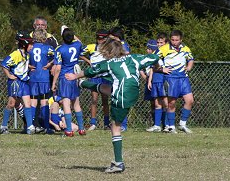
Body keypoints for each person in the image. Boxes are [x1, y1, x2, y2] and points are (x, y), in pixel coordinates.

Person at [65, 38, 159, 173]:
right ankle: (83, 84)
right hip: (133, 92)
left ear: (109, 52)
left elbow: (91, 71)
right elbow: (154, 57)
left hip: (122, 95)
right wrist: (157, 67)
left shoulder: (109, 63)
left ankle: (118, 163)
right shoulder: (134, 58)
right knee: (109, 87)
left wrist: (75, 76)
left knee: (115, 126)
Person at [155, 30, 194, 134]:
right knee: (172, 102)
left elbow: (190, 59)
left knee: (190, 100)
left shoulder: (185, 48)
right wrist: (162, 68)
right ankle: (171, 126)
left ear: (181, 40)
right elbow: (154, 58)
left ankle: (182, 124)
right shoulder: (164, 48)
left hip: (183, 78)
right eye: (172, 40)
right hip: (171, 78)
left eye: (177, 40)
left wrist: (189, 67)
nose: (174, 42)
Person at [0, 31, 35, 135]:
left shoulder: (26, 55)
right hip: (15, 82)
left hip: (24, 82)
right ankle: (3, 126)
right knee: (11, 104)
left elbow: (21, 65)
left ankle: (30, 127)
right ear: (24, 44)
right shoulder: (16, 54)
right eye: (31, 44)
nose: (32, 46)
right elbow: (4, 64)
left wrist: (29, 68)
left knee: (27, 104)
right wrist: (9, 75)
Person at [52, 27, 86, 137]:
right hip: (75, 77)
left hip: (65, 77)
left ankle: (69, 130)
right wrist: (73, 35)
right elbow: (80, 42)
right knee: (76, 104)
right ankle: (81, 129)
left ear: (62, 37)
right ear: (73, 37)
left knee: (66, 104)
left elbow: (57, 68)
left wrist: (53, 83)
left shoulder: (59, 49)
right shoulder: (77, 45)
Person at [80, 29, 110, 130]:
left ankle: (106, 123)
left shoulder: (109, 48)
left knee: (105, 100)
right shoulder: (91, 47)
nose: (100, 40)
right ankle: (93, 123)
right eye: (98, 38)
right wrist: (88, 61)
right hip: (94, 77)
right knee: (94, 100)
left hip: (105, 77)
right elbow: (79, 53)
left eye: (102, 38)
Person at [29, 29, 55, 133]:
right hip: (44, 77)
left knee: (33, 102)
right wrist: (50, 64)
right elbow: (57, 56)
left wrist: (29, 65)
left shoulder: (30, 48)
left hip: (33, 77)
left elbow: (23, 59)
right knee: (44, 102)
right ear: (44, 38)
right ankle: (46, 127)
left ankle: (31, 126)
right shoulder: (48, 48)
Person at [146, 33, 170, 132]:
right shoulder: (156, 54)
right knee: (156, 103)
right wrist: (150, 80)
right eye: (158, 42)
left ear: (166, 43)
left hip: (163, 80)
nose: (159, 44)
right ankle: (157, 125)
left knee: (166, 102)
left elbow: (166, 68)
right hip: (155, 80)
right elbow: (153, 67)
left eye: (161, 42)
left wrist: (161, 70)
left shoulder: (168, 53)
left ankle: (168, 125)